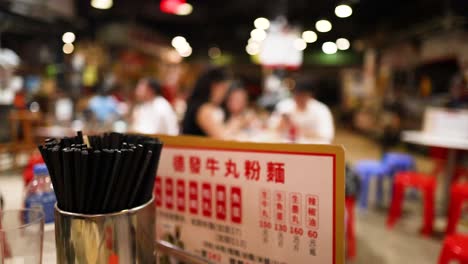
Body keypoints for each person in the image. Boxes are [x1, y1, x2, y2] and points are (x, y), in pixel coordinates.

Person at [271, 78, 334, 143]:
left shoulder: (321, 109)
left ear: (310, 95)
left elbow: (326, 136)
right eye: (296, 94)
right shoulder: (284, 106)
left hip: (312, 148)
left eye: (302, 95)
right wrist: (282, 124)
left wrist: (299, 130)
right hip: (286, 147)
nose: (299, 98)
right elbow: (270, 130)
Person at [182, 67, 238, 139]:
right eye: (224, 88)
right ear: (213, 87)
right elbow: (222, 138)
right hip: (197, 149)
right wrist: (237, 123)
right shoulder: (204, 109)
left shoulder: (204, 106)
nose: (225, 94)